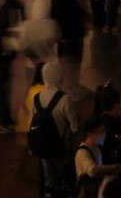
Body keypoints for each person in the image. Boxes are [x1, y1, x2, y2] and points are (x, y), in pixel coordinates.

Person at [0, 0, 37, 133]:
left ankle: (5, 119)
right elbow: (18, 36)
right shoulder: (14, 10)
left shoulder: (13, 8)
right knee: (2, 90)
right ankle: (4, 123)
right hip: (0, 56)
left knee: (2, 89)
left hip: (1, 55)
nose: (32, 1)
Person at [33, 61, 79, 196]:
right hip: (61, 148)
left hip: (43, 147)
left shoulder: (36, 98)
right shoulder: (65, 99)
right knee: (66, 178)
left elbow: (33, 121)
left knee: (49, 181)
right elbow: (74, 126)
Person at [51, 0, 88, 101]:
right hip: (68, 38)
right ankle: (70, 92)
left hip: (75, 36)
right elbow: (59, 18)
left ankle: (74, 87)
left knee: (75, 64)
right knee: (69, 67)